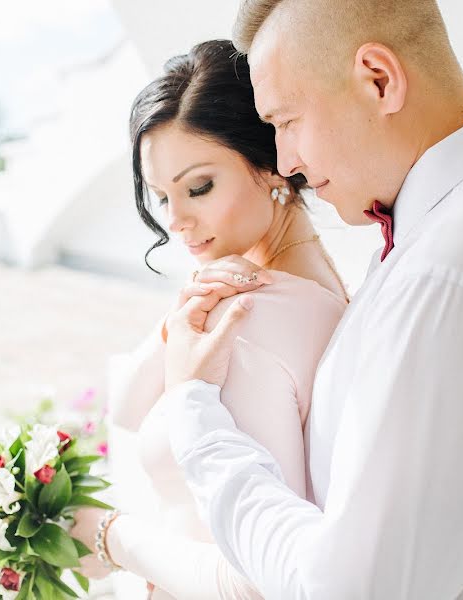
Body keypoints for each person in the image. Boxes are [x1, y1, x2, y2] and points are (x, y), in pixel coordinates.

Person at [160, 1, 463, 598]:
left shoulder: (456, 271)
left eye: (287, 121)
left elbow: (350, 591)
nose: (285, 163)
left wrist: (195, 417)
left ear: (379, 80)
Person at [68, 39, 349, 599]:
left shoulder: (247, 319)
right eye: (162, 196)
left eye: (199, 187)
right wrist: (180, 315)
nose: (177, 221)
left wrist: (107, 537)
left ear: (270, 163)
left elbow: (255, 581)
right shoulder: (303, 287)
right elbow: (124, 405)